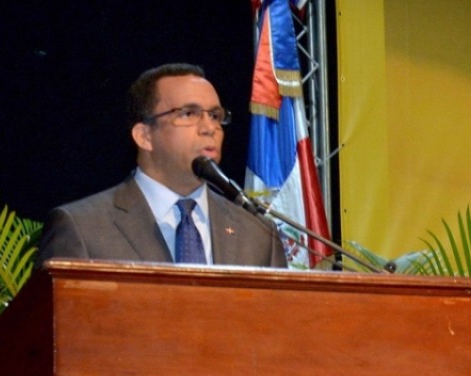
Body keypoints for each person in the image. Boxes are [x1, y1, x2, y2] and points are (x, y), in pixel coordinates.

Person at [38, 62, 286, 268]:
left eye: (215, 115)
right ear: (144, 136)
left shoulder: (258, 234)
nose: (210, 128)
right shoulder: (83, 229)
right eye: (188, 114)